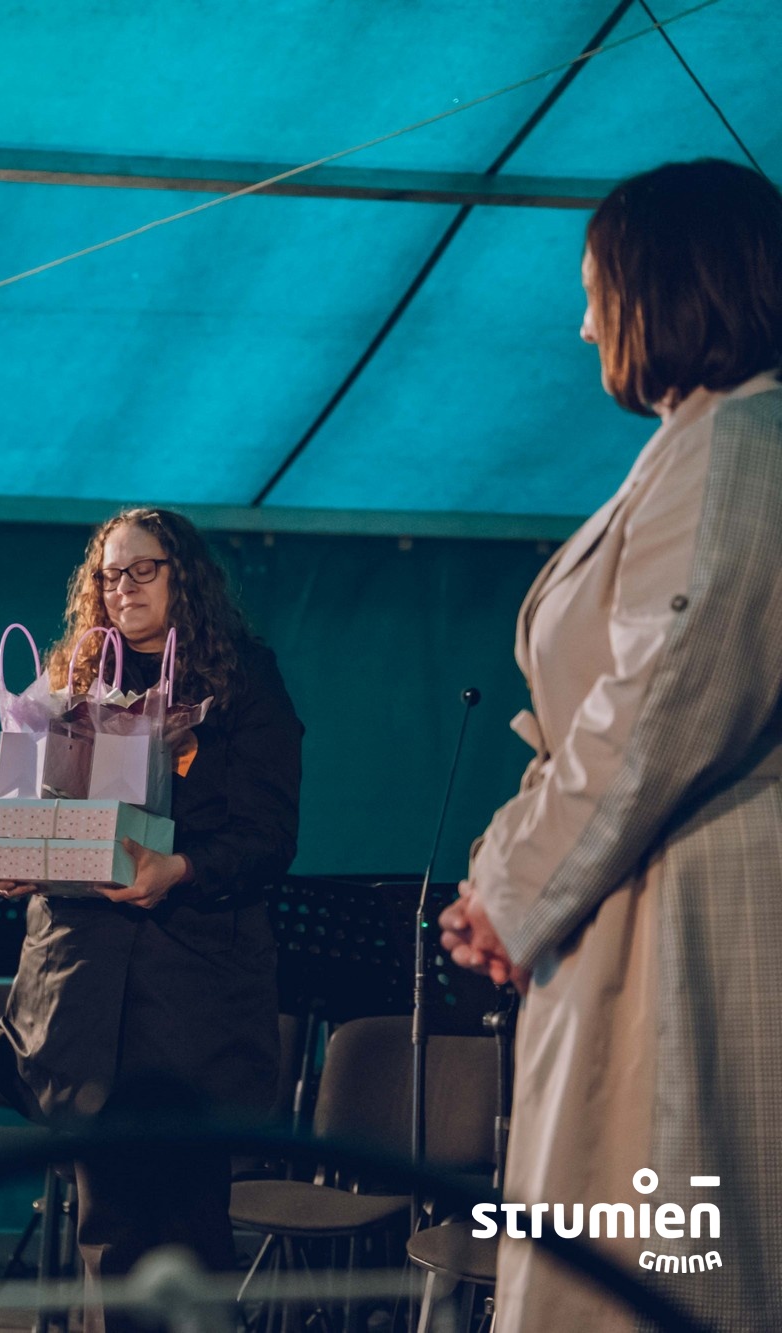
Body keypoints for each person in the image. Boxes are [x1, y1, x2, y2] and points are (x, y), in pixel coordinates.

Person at [441, 159, 782, 1333]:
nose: (585, 324)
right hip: (627, 901)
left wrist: (509, 891)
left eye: (595, 292)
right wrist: (502, 870)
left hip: (690, 921)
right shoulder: (699, 444)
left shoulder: (741, 444)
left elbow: (660, 696)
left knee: (666, 1272)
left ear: (666, 286)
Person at [0, 507, 300, 1329]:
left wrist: (179, 868)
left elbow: (268, 835)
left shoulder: (243, 680)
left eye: (142, 569)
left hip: (192, 992)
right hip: (82, 993)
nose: (122, 587)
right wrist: (13, 857)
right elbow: (29, 808)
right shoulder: (71, 676)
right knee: (105, 1234)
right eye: (109, 574)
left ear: (182, 574)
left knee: (189, 1234)